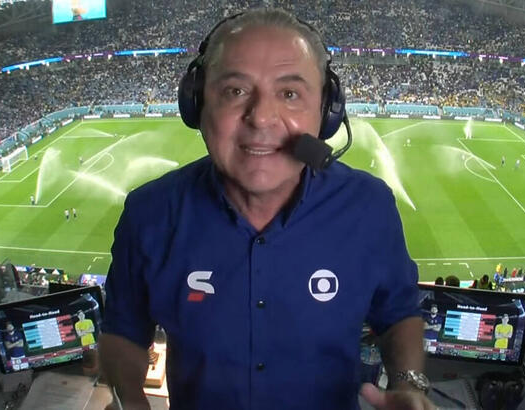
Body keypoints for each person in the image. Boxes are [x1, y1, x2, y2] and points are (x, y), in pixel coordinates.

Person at [100, 9, 432, 410]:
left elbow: (398, 313)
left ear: (327, 113)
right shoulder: (148, 214)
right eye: (234, 91)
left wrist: (409, 385)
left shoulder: (370, 208)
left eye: (290, 94)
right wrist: (130, 398)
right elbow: (124, 329)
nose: (260, 117)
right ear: (196, 105)